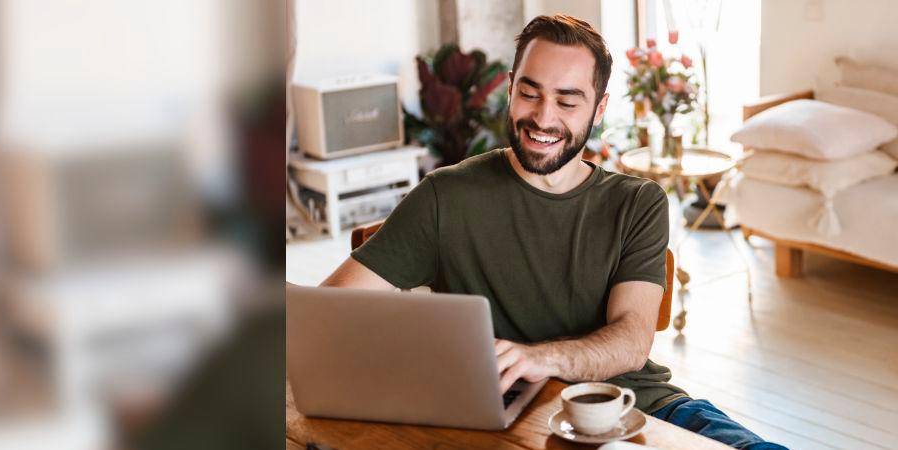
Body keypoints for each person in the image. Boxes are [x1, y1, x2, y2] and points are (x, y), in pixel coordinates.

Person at [318, 14, 786, 450]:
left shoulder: (637, 203)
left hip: (639, 408)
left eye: (567, 100)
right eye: (530, 93)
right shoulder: (445, 196)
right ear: (509, 88)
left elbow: (632, 339)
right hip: (503, 420)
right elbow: (328, 312)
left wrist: (543, 358)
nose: (543, 118)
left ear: (599, 108)